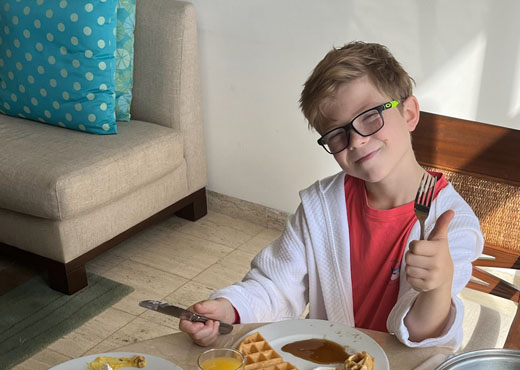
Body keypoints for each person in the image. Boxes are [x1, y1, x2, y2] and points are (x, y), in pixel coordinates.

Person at [179, 41, 483, 350]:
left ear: (409, 114)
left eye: (369, 116)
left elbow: (421, 334)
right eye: (337, 134)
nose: (356, 141)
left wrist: (438, 286)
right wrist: (229, 309)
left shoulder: (451, 224)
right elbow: (277, 286)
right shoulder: (320, 207)